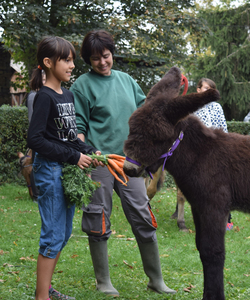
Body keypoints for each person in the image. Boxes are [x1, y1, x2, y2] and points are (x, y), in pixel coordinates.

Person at [70, 30, 176, 297]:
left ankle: (156, 280)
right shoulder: (82, 85)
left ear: (112, 54)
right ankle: (103, 281)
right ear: (88, 60)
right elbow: (78, 126)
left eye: (105, 56)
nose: (102, 62)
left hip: (129, 162)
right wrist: (87, 153)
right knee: (97, 217)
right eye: (95, 59)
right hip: (99, 161)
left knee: (143, 216)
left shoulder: (127, 80)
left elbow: (146, 113)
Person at [27, 36, 102, 300]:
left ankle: (45, 288)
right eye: (66, 60)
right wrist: (73, 158)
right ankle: (41, 297)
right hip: (49, 171)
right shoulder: (44, 97)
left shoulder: (67, 95)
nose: (72, 65)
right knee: (53, 234)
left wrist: (89, 151)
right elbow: (35, 139)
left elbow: (69, 137)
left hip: (65, 172)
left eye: (72, 60)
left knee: (64, 233)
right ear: (48, 63)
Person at [194, 78, 233, 230]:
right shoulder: (192, 107)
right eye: (205, 88)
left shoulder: (217, 107)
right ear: (198, 89)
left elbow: (223, 127)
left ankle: (227, 218)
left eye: (211, 89)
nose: (208, 91)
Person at [25, 71, 47, 202]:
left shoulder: (43, 94)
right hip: (38, 137)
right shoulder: (33, 96)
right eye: (43, 79)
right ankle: (36, 195)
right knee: (35, 164)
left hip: (44, 137)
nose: (45, 82)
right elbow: (33, 119)